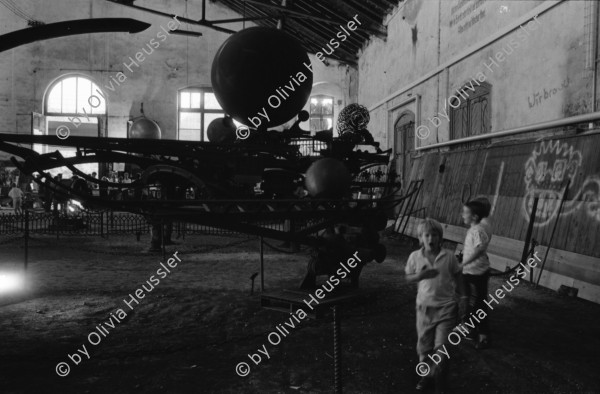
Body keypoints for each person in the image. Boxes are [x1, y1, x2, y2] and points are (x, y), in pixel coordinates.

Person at [405, 218, 465, 392]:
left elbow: (458, 275)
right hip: (424, 309)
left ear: (440, 238)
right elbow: (408, 277)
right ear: (420, 238)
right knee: (424, 348)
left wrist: (464, 298)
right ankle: (426, 377)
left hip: (446, 308)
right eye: (427, 235)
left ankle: (440, 384)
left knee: (442, 349)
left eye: (435, 235)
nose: (431, 238)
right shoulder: (415, 257)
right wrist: (419, 276)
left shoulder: (449, 257)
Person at [460, 199, 492, 349]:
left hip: (477, 272)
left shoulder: (477, 230)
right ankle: (469, 327)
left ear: (474, 216)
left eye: (465, 213)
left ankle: (482, 334)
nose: (462, 215)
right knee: (469, 299)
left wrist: (464, 263)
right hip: (470, 271)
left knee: (478, 302)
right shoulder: (474, 229)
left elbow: (480, 249)